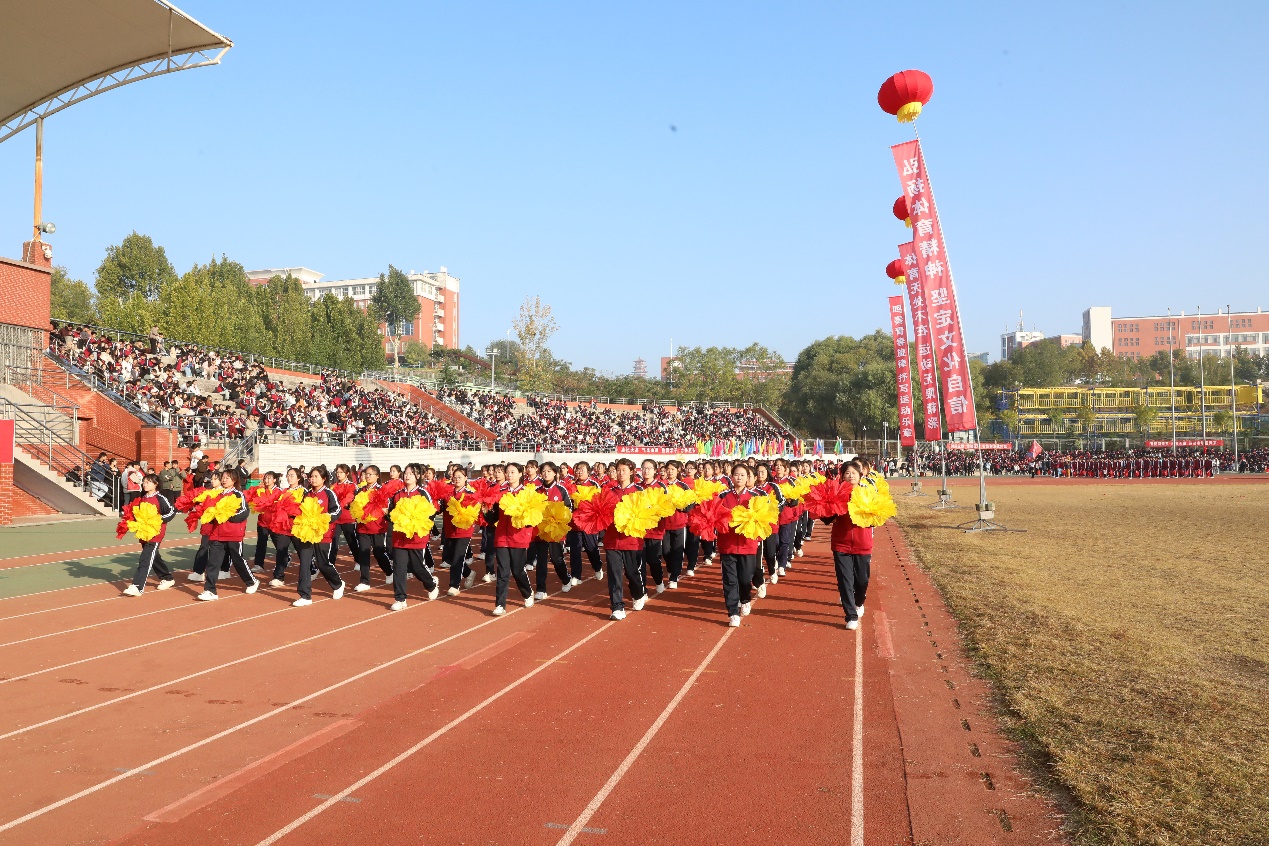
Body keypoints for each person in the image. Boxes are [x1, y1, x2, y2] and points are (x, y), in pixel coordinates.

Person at [197, 468, 259, 601]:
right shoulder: (217, 494)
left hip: (233, 533)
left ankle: (251, 581)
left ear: (234, 480)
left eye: (227, 478)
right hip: (217, 534)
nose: (224, 480)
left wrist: (227, 517)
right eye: (223, 478)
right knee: (213, 562)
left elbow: (244, 512)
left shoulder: (238, 494)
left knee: (238, 560)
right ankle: (210, 590)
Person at [823, 461, 872, 630]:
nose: (851, 476)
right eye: (847, 473)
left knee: (862, 580)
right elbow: (826, 517)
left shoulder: (868, 493)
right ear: (842, 476)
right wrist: (830, 509)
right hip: (841, 543)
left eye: (854, 473)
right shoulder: (837, 493)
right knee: (845, 580)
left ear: (860, 475)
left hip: (862, 543)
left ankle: (859, 602)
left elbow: (876, 517)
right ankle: (851, 615)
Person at [386, 463, 440, 611]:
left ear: (418, 476)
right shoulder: (397, 495)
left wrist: (417, 523)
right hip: (399, 537)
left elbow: (431, 514)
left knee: (417, 567)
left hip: (417, 537)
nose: (407, 476)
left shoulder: (423, 493)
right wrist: (386, 514)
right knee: (399, 567)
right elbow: (391, 514)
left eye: (411, 473)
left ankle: (431, 584)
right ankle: (400, 598)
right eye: (406, 473)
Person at [292, 465, 347, 607]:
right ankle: (305, 595)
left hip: (324, 534)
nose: (313, 479)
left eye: (316, 476)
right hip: (307, 533)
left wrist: (326, 517)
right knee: (305, 562)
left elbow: (337, 511)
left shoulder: (329, 493)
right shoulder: (307, 494)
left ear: (323, 478)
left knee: (323, 564)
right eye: (311, 476)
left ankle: (338, 584)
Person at [716, 463, 760, 627]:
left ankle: (745, 599)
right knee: (730, 579)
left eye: (742, 475)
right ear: (731, 477)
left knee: (745, 578)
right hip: (727, 544)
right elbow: (715, 515)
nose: (739, 477)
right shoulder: (723, 496)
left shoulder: (756, 497)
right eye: (736, 474)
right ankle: (733, 612)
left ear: (748, 477)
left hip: (748, 545)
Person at [602, 458, 647, 621]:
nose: (620, 473)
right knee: (614, 574)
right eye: (618, 470)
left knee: (631, 572)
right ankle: (617, 607)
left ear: (631, 472)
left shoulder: (639, 491)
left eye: (624, 470)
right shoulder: (608, 490)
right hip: (612, 539)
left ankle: (638, 593)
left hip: (632, 539)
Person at [121, 473, 177, 596]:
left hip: (156, 534)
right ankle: (167, 578)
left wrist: (158, 520)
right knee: (154, 557)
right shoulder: (143, 498)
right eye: (144, 482)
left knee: (145, 558)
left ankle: (137, 586)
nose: (144, 484)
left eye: (148, 482)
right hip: (144, 533)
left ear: (156, 484)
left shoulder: (160, 498)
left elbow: (171, 512)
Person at [492, 462, 535, 616]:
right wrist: (487, 510)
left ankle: (527, 592)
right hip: (502, 536)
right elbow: (493, 517)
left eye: (513, 472)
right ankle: (500, 604)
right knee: (503, 571)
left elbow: (533, 517)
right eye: (507, 472)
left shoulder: (527, 493)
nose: (509, 475)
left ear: (520, 474)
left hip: (519, 536)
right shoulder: (500, 493)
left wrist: (525, 519)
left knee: (517, 571)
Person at [530, 462, 573, 599]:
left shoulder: (561, 490)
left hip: (556, 531)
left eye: (549, 471)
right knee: (541, 560)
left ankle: (565, 578)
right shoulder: (537, 491)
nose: (546, 473)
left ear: (555, 473)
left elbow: (568, 509)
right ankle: (541, 589)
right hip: (541, 531)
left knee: (556, 558)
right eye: (543, 471)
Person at [353, 465, 394, 591]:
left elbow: (387, 506)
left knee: (378, 552)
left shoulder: (382, 490)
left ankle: (389, 571)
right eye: (366, 474)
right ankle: (364, 581)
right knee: (363, 552)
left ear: (377, 476)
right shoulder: (360, 490)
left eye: (370, 474)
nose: (367, 476)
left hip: (378, 527)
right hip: (362, 527)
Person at [442, 466, 480, 595]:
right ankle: (468, 573)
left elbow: (475, 511)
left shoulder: (470, 494)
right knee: (450, 557)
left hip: (464, 530)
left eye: (460, 477)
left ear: (466, 478)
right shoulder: (448, 493)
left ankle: (454, 585)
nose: (457, 479)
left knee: (458, 557)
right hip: (449, 529)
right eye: (455, 477)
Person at [566, 461, 604, 583]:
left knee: (591, 548)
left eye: (582, 470)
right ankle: (576, 575)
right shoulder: (571, 485)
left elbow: (599, 501)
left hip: (589, 523)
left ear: (589, 472)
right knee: (575, 550)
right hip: (574, 523)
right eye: (577, 470)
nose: (579, 472)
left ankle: (597, 566)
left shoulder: (593, 484)